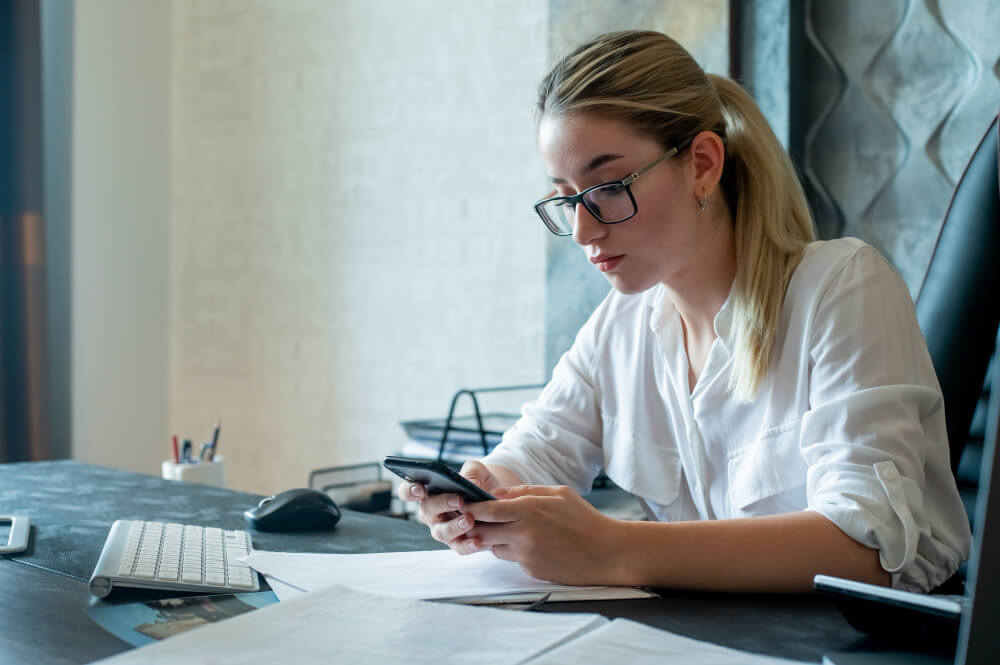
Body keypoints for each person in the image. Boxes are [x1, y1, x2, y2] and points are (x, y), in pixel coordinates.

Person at [397, 30, 970, 593]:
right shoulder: (621, 327)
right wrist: (478, 495)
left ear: (701, 164)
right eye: (567, 198)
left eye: (609, 187)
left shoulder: (842, 288)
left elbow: (867, 548)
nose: (582, 231)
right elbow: (539, 449)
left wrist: (613, 548)